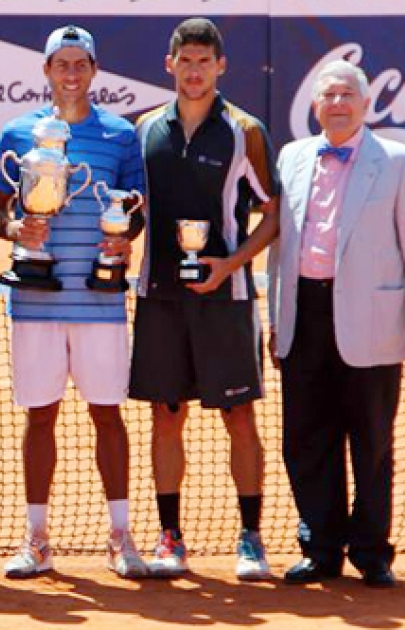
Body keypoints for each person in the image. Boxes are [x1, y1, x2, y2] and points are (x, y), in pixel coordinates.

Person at [269, 59, 405, 588]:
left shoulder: (399, 161)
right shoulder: (292, 156)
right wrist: (278, 319)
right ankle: (321, 549)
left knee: (371, 442)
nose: (338, 103)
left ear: (366, 104)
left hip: (373, 322)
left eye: (348, 95)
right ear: (315, 106)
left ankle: (371, 551)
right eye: (329, 96)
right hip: (304, 319)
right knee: (305, 439)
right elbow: (281, 248)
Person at [0, 25, 147, 580]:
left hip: (101, 299)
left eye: (81, 64)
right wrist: (15, 228)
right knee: (41, 416)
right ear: (47, 70)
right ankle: (37, 538)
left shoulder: (122, 136)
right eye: (62, 64)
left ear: (94, 70)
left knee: (109, 415)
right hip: (36, 297)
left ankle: (121, 536)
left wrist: (125, 235)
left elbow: (136, 208)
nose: (72, 73)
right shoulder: (17, 132)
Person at [129, 18, 279, 580]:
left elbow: (273, 213)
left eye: (204, 61)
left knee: (239, 416)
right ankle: (170, 538)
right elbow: (133, 208)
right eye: (185, 61)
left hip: (227, 300)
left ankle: (250, 537)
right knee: (166, 417)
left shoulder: (246, 131)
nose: (194, 71)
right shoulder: (143, 130)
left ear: (221, 66)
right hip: (160, 299)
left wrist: (230, 265)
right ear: (170, 65)